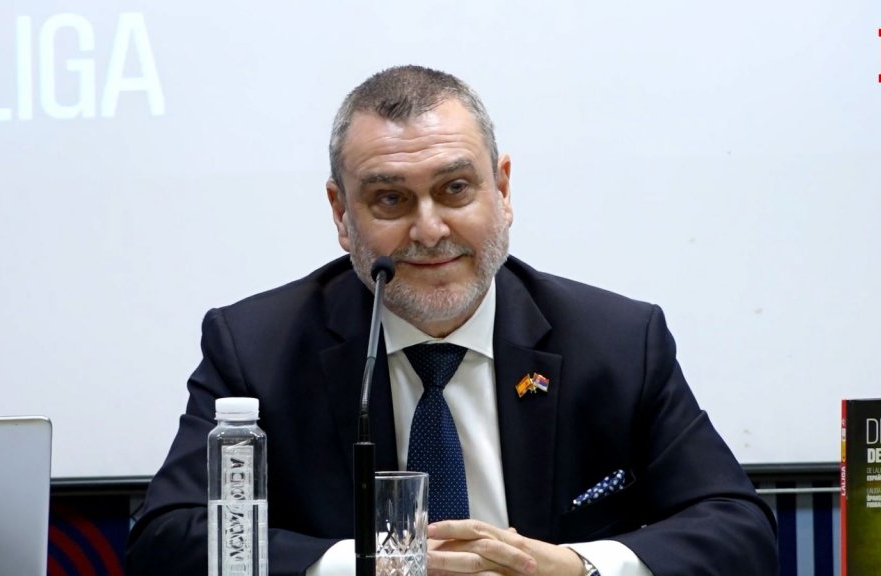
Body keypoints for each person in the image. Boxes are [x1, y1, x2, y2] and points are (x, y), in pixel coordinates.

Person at [126, 65, 779, 576]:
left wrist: (577, 567)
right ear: (341, 214)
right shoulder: (258, 348)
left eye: (455, 189)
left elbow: (737, 530)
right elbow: (167, 540)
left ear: (503, 189)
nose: (430, 229)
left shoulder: (616, 342)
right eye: (390, 199)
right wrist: (368, 566)